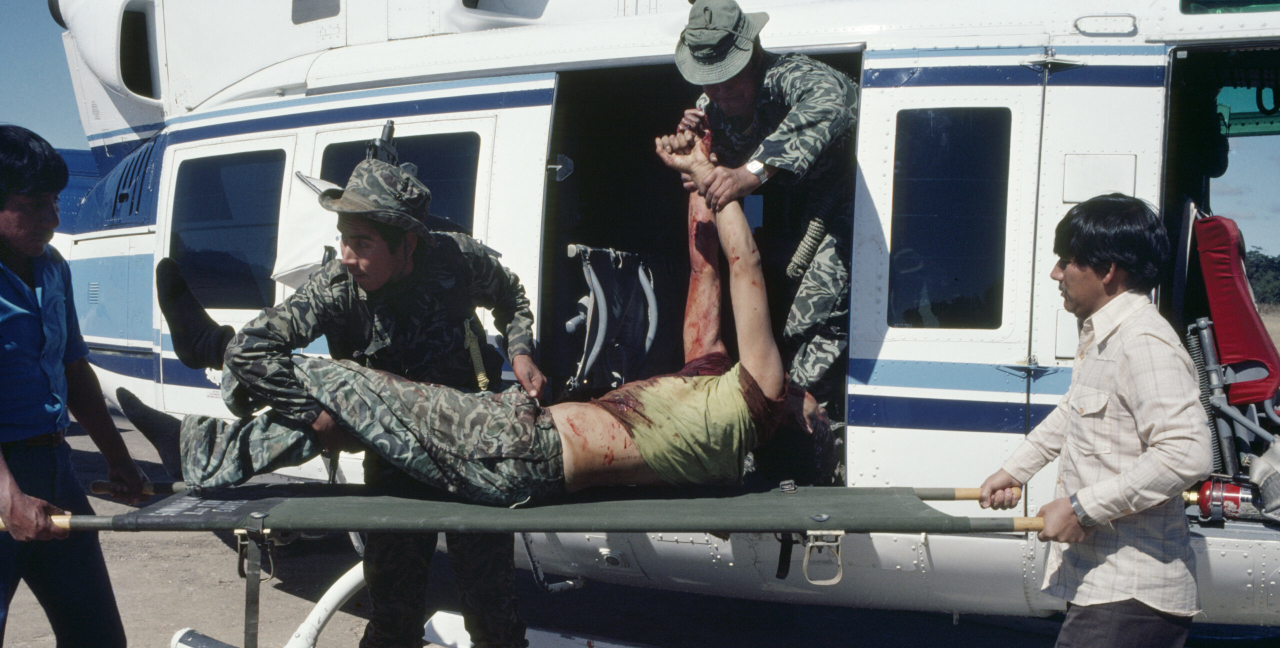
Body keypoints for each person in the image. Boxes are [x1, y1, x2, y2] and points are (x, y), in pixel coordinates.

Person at [123, 157, 547, 648]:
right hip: (390, 464)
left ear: (408, 242)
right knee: (392, 619)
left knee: (493, 616)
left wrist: (520, 349)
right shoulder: (336, 288)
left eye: (362, 242)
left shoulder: (454, 261)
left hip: (468, 452)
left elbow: (514, 296)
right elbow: (259, 350)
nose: (346, 256)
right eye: (342, 238)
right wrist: (316, 415)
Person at [125, 141, 827, 515]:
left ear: (791, 418)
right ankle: (201, 448)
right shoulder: (716, 379)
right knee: (353, 402)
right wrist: (696, 160)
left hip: (517, 452)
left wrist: (717, 173)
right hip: (510, 431)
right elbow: (711, 269)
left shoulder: (758, 402)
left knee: (347, 383)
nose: (823, 402)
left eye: (823, 412)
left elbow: (747, 264)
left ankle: (218, 350)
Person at [979, 195, 1213, 648]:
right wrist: (1018, 467)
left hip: (1131, 593)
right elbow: (1076, 414)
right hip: (1112, 588)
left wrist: (1083, 506)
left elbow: (1188, 452)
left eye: (1067, 261)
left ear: (1107, 269)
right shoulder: (1105, 335)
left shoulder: (1143, 342)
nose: (1056, 273)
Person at [0, 126, 174, 648]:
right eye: (34, 203)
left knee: (94, 630)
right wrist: (9, 496)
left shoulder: (53, 269)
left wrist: (121, 460)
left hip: (55, 465)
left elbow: (75, 371)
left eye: (55, 201)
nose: (51, 216)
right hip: (4, 475)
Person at [666, 0, 858, 415]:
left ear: (752, 56)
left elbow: (834, 100)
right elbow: (714, 175)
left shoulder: (787, 75)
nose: (719, 92)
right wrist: (701, 158)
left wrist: (748, 173)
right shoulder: (712, 107)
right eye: (710, 83)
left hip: (842, 219)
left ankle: (812, 434)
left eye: (728, 81)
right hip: (787, 233)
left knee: (812, 321)